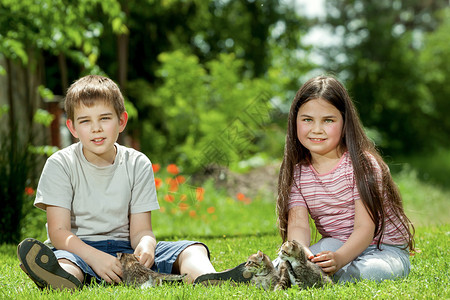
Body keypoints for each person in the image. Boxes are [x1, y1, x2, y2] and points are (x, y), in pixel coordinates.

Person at [195, 75, 415, 285]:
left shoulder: (362, 165)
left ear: (345, 122)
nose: (316, 129)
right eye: (307, 120)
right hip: (336, 244)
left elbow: (365, 228)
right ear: (295, 121)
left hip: (383, 248)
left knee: (373, 272)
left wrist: (338, 259)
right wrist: (303, 254)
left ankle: (306, 276)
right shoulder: (298, 173)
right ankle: (264, 274)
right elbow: (299, 225)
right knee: (294, 259)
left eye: (328, 120)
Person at [17, 74, 215, 290]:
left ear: (121, 121)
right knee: (66, 261)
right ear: (72, 128)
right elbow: (59, 232)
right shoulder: (61, 164)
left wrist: (146, 245)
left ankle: (207, 276)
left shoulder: (137, 163)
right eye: (85, 121)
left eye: (105, 118)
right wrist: (95, 258)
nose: (96, 128)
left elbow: (141, 231)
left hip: (126, 253)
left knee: (193, 248)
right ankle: (61, 278)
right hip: (78, 249)